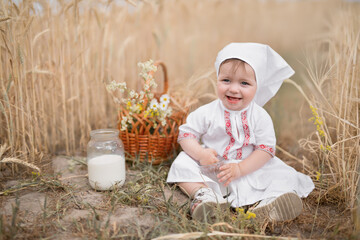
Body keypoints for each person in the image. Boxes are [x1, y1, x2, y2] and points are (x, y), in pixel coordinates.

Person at [166, 42, 315, 222]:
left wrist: (240, 168)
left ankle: (269, 204)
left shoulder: (259, 116)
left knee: (284, 175)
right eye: (226, 80)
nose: (233, 89)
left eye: (244, 83)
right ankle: (204, 196)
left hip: (249, 167)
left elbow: (265, 150)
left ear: (257, 87)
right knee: (182, 162)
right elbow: (186, 135)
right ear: (217, 80)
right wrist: (200, 154)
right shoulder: (208, 111)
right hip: (214, 168)